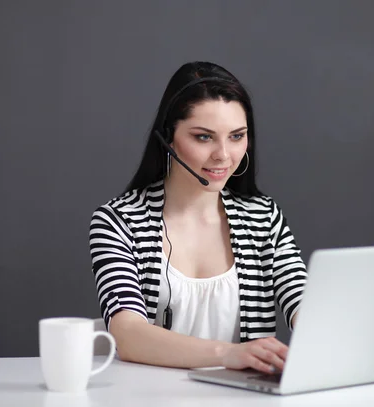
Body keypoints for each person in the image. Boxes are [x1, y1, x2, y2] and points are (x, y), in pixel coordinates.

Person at [89, 61, 307, 374]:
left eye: (236, 136)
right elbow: (127, 334)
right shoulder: (119, 221)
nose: (223, 155)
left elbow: (302, 301)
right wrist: (229, 354)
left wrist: (321, 328)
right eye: (204, 137)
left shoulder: (263, 216)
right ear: (168, 137)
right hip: (149, 398)